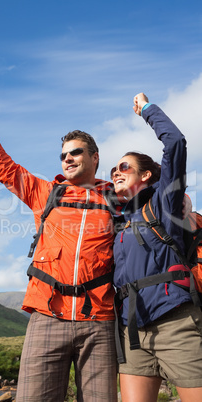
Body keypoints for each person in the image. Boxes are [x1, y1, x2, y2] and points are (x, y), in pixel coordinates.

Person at [0, 87, 117, 401]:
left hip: (100, 319)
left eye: (75, 152)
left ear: (95, 157)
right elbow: (4, 168)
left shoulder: (117, 199)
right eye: (63, 155)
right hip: (47, 314)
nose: (67, 159)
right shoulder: (45, 193)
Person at [111, 93, 202, 402]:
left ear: (146, 175)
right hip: (132, 331)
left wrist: (148, 110)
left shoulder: (164, 201)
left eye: (124, 166)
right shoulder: (118, 223)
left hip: (176, 321)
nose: (116, 173)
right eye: (113, 172)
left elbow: (175, 143)